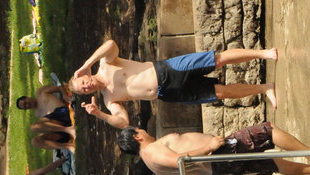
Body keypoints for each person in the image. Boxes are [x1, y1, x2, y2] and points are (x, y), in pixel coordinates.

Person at [70, 39, 277, 129]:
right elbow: (123, 122)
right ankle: (264, 88)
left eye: (82, 82)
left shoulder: (106, 65)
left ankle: (263, 53)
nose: (86, 86)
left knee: (217, 60)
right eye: (83, 90)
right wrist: (99, 114)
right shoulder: (109, 99)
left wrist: (87, 63)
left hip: (167, 70)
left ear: (84, 75)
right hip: (168, 93)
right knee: (219, 93)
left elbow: (110, 44)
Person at [118, 122, 310, 175]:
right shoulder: (152, 151)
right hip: (219, 156)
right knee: (267, 131)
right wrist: (209, 147)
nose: (144, 130)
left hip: (219, 170)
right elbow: (179, 161)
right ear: (137, 137)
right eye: (140, 130)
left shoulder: (151, 165)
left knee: (271, 163)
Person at [16, 85, 76, 150]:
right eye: (25, 107)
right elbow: (48, 127)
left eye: (25, 102)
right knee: (35, 142)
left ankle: (68, 130)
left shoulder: (40, 92)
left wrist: (64, 94)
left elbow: (60, 87)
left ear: (27, 97)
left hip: (63, 113)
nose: (27, 105)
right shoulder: (37, 114)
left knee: (33, 127)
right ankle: (69, 147)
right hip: (59, 126)